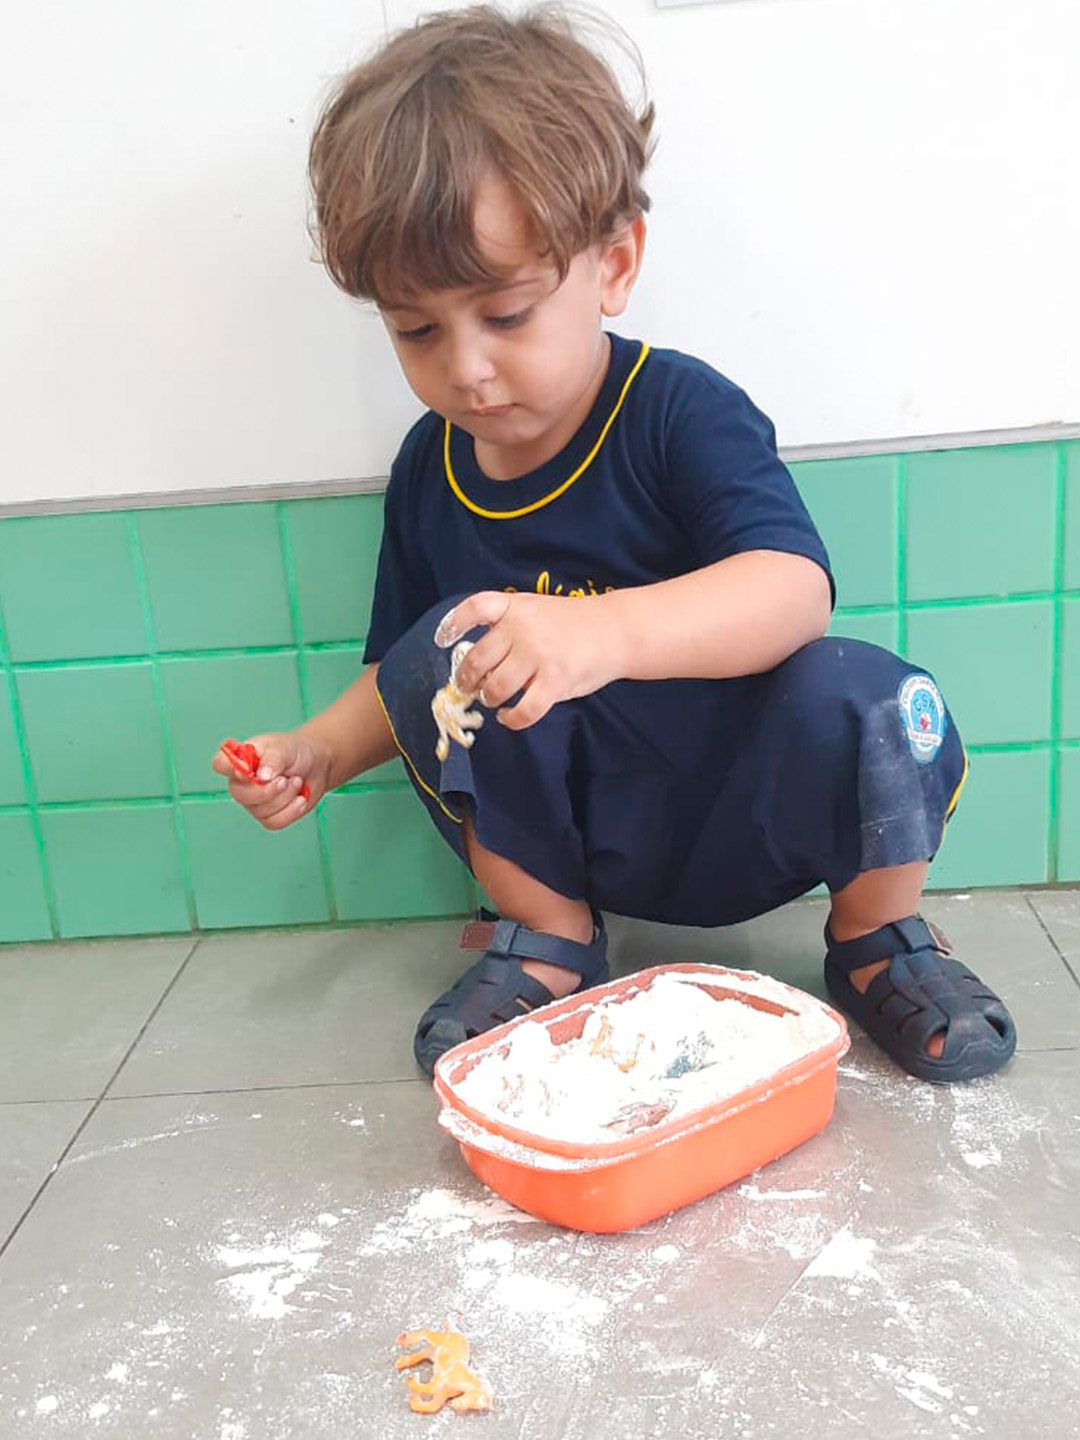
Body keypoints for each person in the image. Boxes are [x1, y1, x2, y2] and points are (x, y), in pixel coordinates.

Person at [213, 4, 1016, 1085]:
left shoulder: (678, 410)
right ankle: (550, 941)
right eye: (417, 329)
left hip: (738, 805)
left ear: (615, 264)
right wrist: (317, 750)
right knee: (439, 651)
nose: (466, 369)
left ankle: (878, 939)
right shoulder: (428, 467)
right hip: (575, 841)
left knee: (878, 700)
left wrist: (604, 633)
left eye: (505, 314)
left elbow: (792, 588)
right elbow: (396, 671)